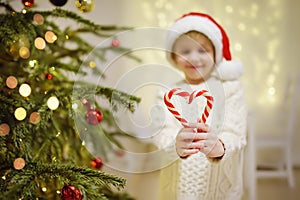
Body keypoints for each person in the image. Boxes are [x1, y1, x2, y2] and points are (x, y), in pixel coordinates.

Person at [151, 12, 247, 200]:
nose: (194, 58)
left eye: (203, 50)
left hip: (219, 190)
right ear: (173, 56)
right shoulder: (166, 93)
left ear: (216, 54)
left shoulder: (231, 89)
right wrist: (174, 144)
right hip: (176, 190)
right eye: (185, 51)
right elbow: (160, 133)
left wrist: (220, 147)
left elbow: (236, 134)